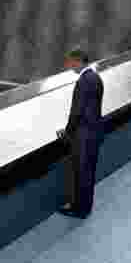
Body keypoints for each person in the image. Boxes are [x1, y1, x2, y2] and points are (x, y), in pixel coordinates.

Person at [57, 48, 105, 219]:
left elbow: (76, 111)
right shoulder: (96, 77)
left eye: (71, 62)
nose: (70, 66)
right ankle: (85, 206)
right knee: (89, 172)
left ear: (78, 61)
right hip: (94, 132)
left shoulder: (83, 81)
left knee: (81, 172)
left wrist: (68, 131)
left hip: (83, 135)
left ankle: (78, 209)